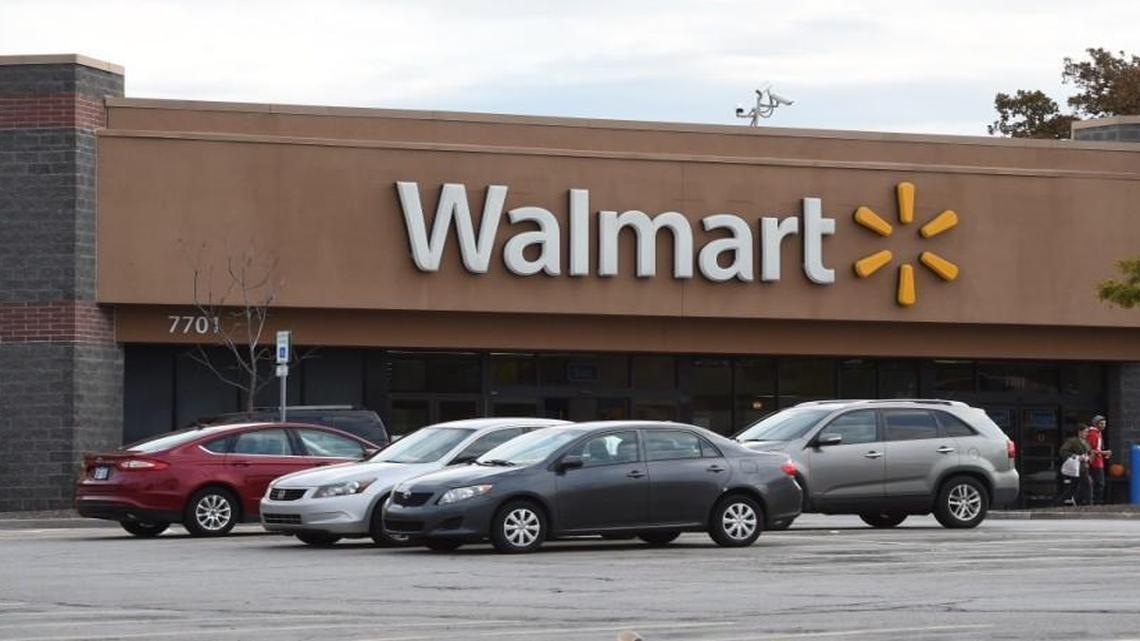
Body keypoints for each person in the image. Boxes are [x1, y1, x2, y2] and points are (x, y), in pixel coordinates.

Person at [1056, 424, 1092, 506]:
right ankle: (1089, 504)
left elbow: (1088, 452)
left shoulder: (1086, 442)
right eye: (1085, 432)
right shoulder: (1072, 441)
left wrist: (1088, 457)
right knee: (1087, 484)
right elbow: (1063, 451)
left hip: (1084, 466)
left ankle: (1059, 502)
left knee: (1073, 487)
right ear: (1079, 432)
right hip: (1076, 466)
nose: (1086, 434)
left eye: (1087, 432)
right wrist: (1076, 456)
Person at [1087, 414, 1112, 505]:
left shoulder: (1098, 434)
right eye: (1101, 424)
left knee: (1098, 483)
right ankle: (1096, 502)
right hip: (1095, 463)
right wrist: (1104, 453)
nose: (1103, 426)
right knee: (1100, 483)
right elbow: (1091, 450)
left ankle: (1096, 501)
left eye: (1104, 424)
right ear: (1096, 424)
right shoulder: (1093, 434)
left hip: (1098, 461)